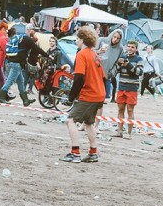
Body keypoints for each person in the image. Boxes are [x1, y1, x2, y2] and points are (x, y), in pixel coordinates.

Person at [61, 27, 106, 163]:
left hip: (89, 94)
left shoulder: (82, 54)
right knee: (88, 123)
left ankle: (75, 153)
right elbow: (103, 77)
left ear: (82, 39)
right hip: (99, 93)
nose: (76, 41)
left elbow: (79, 77)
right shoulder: (94, 54)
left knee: (70, 121)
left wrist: (71, 96)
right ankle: (93, 153)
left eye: (77, 38)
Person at [0, 24, 46, 106]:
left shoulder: (19, 37)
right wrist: (47, 55)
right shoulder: (27, 39)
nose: (34, 32)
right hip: (17, 63)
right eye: (33, 30)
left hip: (12, 62)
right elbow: (36, 49)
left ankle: (25, 100)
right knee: (10, 80)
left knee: (21, 81)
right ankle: (1, 97)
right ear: (30, 30)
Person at [114, 40, 143, 138]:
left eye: (132, 47)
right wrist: (118, 63)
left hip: (132, 88)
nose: (130, 49)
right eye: (129, 47)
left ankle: (129, 133)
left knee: (130, 110)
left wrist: (128, 65)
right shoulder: (123, 57)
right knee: (120, 109)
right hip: (122, 86)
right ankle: (119, 131)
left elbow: (139, 72)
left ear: (136, 49)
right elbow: (117, 71)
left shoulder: (139, 59)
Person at [96, 29, 124, 102]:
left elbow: (118, 64)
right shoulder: (102, 41)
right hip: (95, 71)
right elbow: (91, 52)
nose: (115, 40)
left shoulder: (120, 49)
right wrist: (98, 52)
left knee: (101, 98)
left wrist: (111, 73)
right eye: (114, 37)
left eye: (118, 38)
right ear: (111, 35)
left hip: (106, 75)